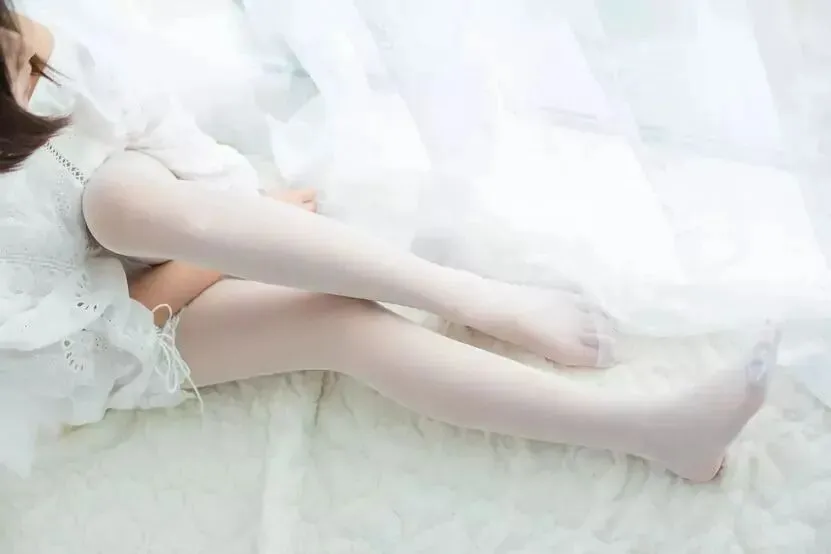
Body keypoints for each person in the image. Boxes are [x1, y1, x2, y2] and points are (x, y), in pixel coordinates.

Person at [0, 0, 778, 482]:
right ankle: (656, 432)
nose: (25, 55)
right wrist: (225, 246)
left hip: (144, 211)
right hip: (86, 333)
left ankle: (477, 299)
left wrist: (237, 203)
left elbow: (150, 120)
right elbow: (71, 326)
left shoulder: (21, 34)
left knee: (120, 198)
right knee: (338, 325)